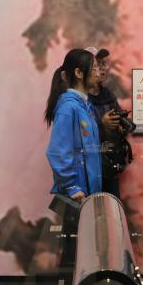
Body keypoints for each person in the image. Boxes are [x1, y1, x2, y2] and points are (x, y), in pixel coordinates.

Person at [45, 49, 103, 268]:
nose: (99, 72)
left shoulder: (84, 106)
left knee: (86, 250)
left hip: (88, 194)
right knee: (75, 253)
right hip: (77, 195)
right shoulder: (69, 108)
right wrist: (71, 186)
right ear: (79, 73)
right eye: (94, 68)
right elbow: (57, 151)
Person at [85, 46, 132, 197]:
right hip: (89, 167)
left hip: (109, 164)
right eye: (97, 64)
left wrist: (120, 127)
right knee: (90, 208)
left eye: (103, 63)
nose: (103, 68)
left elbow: (117, 118)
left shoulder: (107, 94)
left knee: (111, 206)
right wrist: (101, 124)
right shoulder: (79, 99)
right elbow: (78, 135)